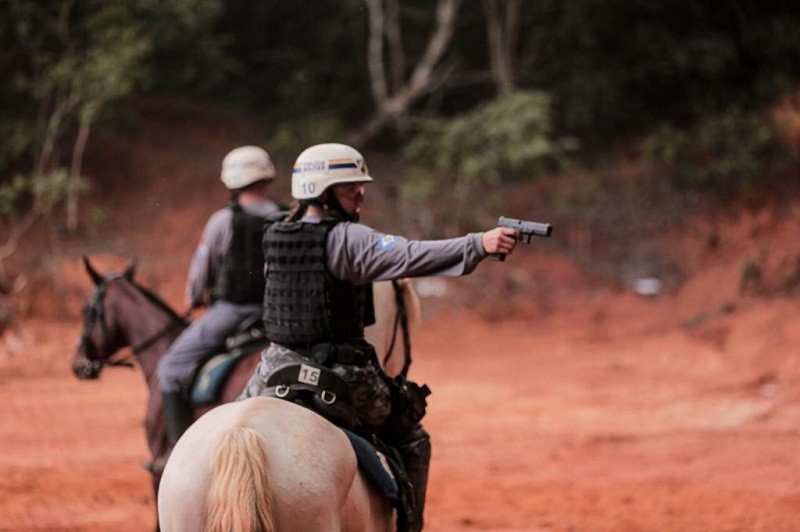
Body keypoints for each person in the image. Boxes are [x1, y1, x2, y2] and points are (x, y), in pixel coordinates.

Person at [238, 143, 520, 531]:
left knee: (234, 422)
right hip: (337, 371)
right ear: (324, 192)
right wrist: (477, 244)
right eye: (351, 188)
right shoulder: (348, 238)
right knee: (412, 434)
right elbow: (409, 255)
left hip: (277, 364)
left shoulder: (277, 234)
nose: (360, 195)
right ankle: (409, 525)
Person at [157, 145, 280, 452]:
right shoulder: (286, 217)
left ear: (231, 182)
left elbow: (201, 274)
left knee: (170, 369)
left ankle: (178, 449)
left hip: (232, 312)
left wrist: (195, 298)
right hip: (279, 316)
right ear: (267, 178)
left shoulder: (222, 221)